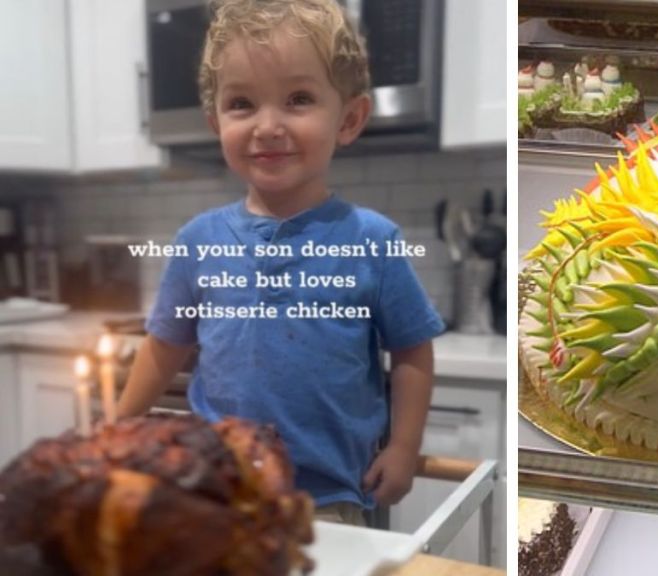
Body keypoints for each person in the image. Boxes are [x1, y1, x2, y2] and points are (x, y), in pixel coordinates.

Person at [118, 0, 444, 526]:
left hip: (330, 502)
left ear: (350, 118)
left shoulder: (372, 241)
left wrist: (404, 448)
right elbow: (164, 346)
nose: (267, 126)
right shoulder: (197, 241)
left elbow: (412, 352)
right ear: (216, 121)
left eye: (298, 99)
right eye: (242, 103)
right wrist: (118, 426)